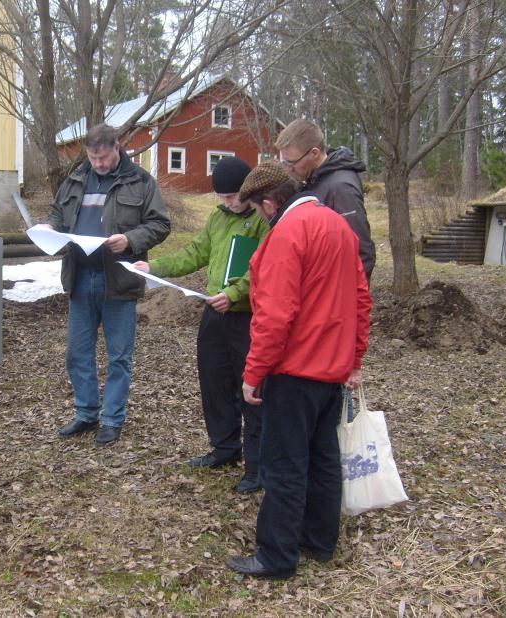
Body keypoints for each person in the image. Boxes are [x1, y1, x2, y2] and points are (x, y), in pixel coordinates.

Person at [226, 161, 372, 579]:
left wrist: (254, 373)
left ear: (269, 203)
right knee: (323, 458)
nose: (258, 216)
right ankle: (319, 541)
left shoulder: (286, 234)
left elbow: (274, 315)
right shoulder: (337, 226)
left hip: (294, 371)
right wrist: (354, 359)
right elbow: (361, 299)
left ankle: (276, 555)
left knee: (283, 464)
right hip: (332, 370)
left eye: (256, 208)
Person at [132, 157, 268, 493]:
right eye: (221, 197)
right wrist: (154, 268)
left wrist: (235, 292)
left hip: (246, 315)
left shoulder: (265, 221)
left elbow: (264, 267)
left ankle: (257, 465)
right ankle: (224, 448)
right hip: (214, 313)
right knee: (214, 381)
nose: (227, 203)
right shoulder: (219, 219)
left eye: (233, 196)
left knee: (249, 389)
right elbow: (195, 253)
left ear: (248, 190)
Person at [44, 124, 170, 446]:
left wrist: (130, 239)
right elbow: (58, 213)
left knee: (118, 356)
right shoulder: (75, 180)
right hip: (80, 277)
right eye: (92, 157)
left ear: (118, 147)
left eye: (103, 157)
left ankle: (112, 419)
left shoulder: (140, 181)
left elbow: (160, 223)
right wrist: (51, 230)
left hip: (118, 278)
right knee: (77, 353)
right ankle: (86, 412)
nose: (98, 163)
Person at [275, 119, 376, 281]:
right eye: (285, 162)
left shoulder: (341, 188)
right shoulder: (313, 180)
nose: (289, 168)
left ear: (314, 153)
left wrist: (348, 301)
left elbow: (361, 252)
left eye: (292, 162)